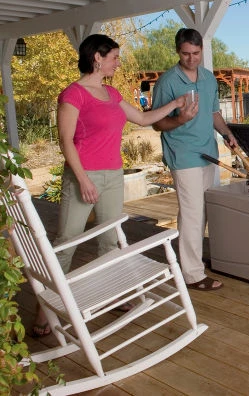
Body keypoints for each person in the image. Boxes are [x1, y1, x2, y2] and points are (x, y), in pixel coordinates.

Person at [32, 33, 185, 337]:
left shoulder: (112, 94)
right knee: (66, 242)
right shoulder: (73, 94)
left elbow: (142, 119)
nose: (118, 63)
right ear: (97, 58)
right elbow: (65, 141)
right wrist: (83, 179)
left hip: (114, 175)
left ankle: (111, 294)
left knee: (110, 240)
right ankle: (43, 312)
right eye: (114, 57)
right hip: (83, 176)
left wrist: (175, 105)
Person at [152, 28, 237, 291]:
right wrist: (180, 119)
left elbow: (214, 113)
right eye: (186, 53)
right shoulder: (168, 82)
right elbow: (157, 123)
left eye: (196, 53)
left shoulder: (209, 79)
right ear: (178, 51)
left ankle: (195, 260)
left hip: (208, 152)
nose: (191, 59)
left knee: (206, 210)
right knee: (192, 214)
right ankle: (192, 274)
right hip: (183, 154)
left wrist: (227, 134)